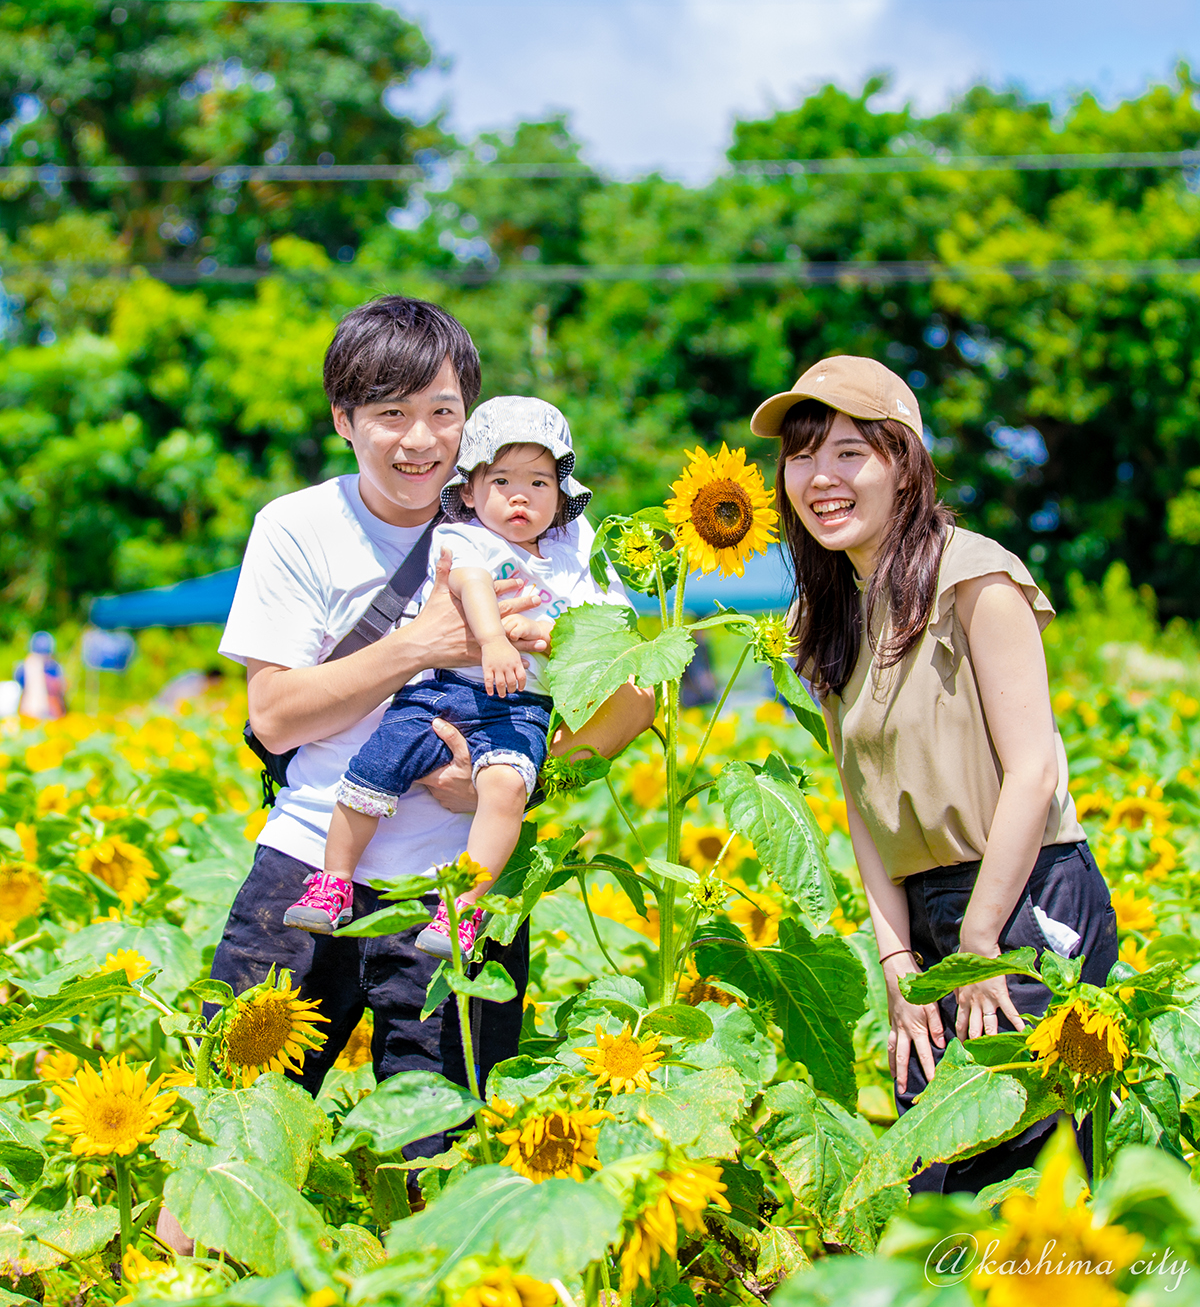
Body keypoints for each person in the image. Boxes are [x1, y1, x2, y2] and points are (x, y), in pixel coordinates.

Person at [211, 297, 655, 1103]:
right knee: (232, 1120)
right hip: (309, 866)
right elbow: (273, 715)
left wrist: (529, 772)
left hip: (461, 894)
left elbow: (636, 696)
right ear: (344, 420)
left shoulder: (559, 536)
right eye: (390, 413)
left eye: (442, 412)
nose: (420, 441)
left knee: (442, 1153)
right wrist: (424, 645)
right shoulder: (297, 527)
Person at [751, 354, 1118, 1192]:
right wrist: (898, 965)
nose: (820, 477)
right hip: (923, 919)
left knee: (1019, 1183)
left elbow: (1034, 773)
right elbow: (862, 806)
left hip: (1025, 902)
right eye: (803, 455)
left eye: (850, 451)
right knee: (933, 1187)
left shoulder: (975, 578)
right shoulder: (829, 612)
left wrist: (982, 943)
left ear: (903, 461)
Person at [284, 395, 627, 957]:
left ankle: (462, 910)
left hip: (520, 705)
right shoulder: (466, 537)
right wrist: (495, 638)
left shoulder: (573, 560)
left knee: (507, 789)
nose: (521, 496)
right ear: (470, 490)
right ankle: (334, 881)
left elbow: (601, 633)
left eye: (540, 483)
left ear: (561, 496)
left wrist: (547, 639)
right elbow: (469, 585)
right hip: (440, 692)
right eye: (503, 481)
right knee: (372, 772)